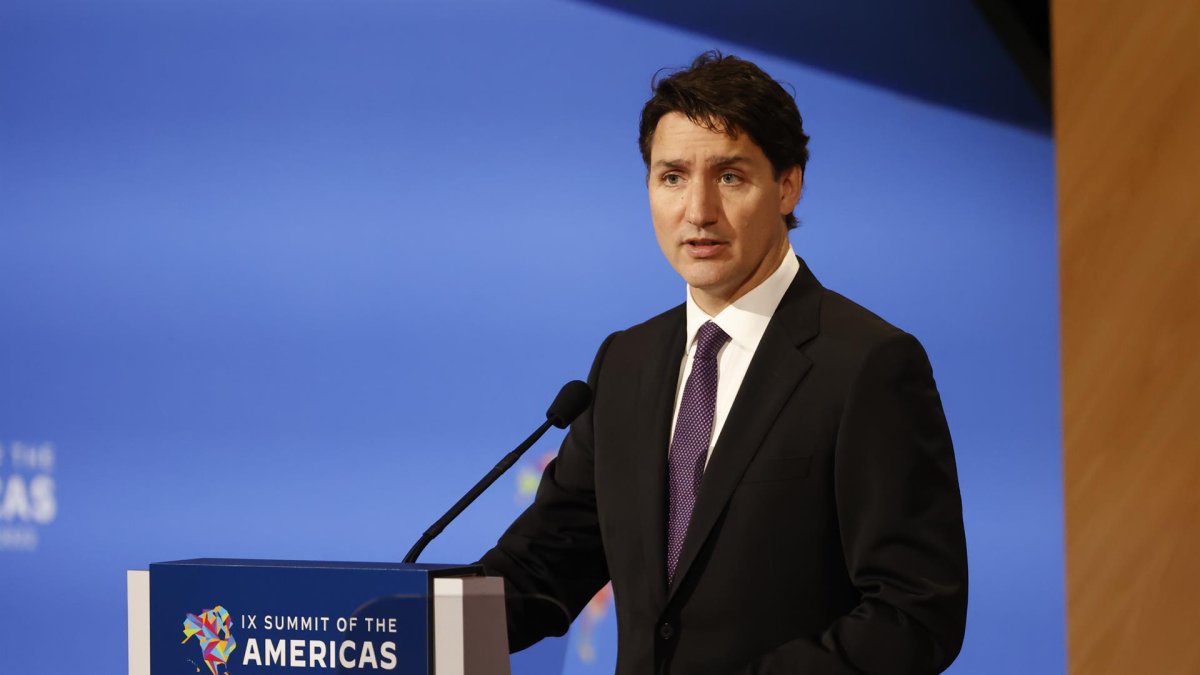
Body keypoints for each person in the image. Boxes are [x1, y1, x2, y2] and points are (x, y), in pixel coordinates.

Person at [480, 51, 967, 675]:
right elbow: (541, 569)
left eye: (730, 176)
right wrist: (390, 625)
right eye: (673, 176)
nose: (699, 211)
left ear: (787, 185)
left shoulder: (868, 365)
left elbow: (914, 612)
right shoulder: (624, 363)